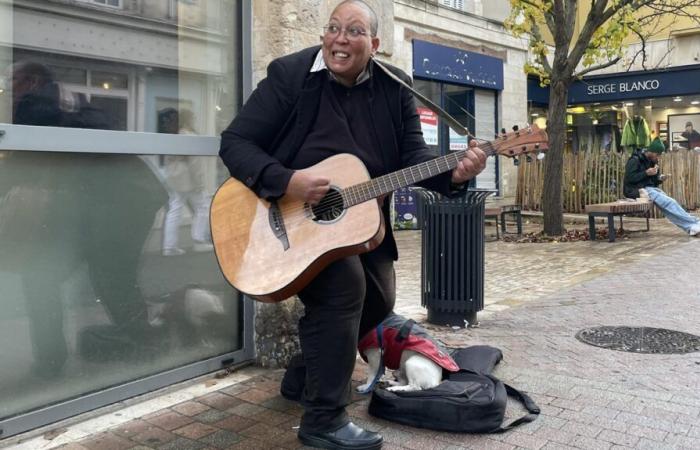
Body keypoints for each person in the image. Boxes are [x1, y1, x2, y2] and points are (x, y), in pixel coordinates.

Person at [218, 1, 486, 449]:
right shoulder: (290, 76)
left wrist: (453, 173)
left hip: (358, 224)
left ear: (374, 44)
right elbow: (236, 142)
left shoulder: (395, 86)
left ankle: (304, 377)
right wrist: (288, 181)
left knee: (379, 302)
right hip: (283, 219)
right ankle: (323, 421)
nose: (340, 39)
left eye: (354, 31)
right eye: (333, 28)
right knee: (344, 289)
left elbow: (412, 157)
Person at [158, 108, 214, 256]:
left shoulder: (176, 135)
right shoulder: (189, 135)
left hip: (174, 176)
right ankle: (199, 241)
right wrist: (199, 183)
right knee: (203, 207)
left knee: (175, 209)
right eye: (193, 117)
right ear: (189, 119)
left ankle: (169, 246)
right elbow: (195, 163)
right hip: (187, 177)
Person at [624, 137, 700, 236]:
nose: (658, 157)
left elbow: (653, 181)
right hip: (636, 190)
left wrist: (659, 178)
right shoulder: (635, 160)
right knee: (669, 203)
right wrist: (646, 173)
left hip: (649, 189)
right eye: (658, 154)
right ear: (651, 151)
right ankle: (694, 224)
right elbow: (630, 179)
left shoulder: (652, 161)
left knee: (670, 205)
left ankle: (691, 227)